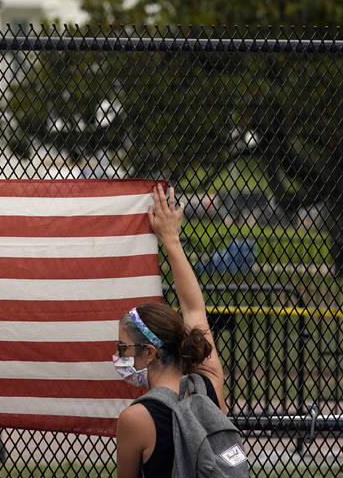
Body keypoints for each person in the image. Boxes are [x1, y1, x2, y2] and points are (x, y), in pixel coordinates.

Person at [114, 185, 227, 478]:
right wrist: (171, 239)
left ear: (149, 352)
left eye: (122, 349)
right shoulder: (209, 387)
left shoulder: (135, 419)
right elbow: (194, 310)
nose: (118, 358)